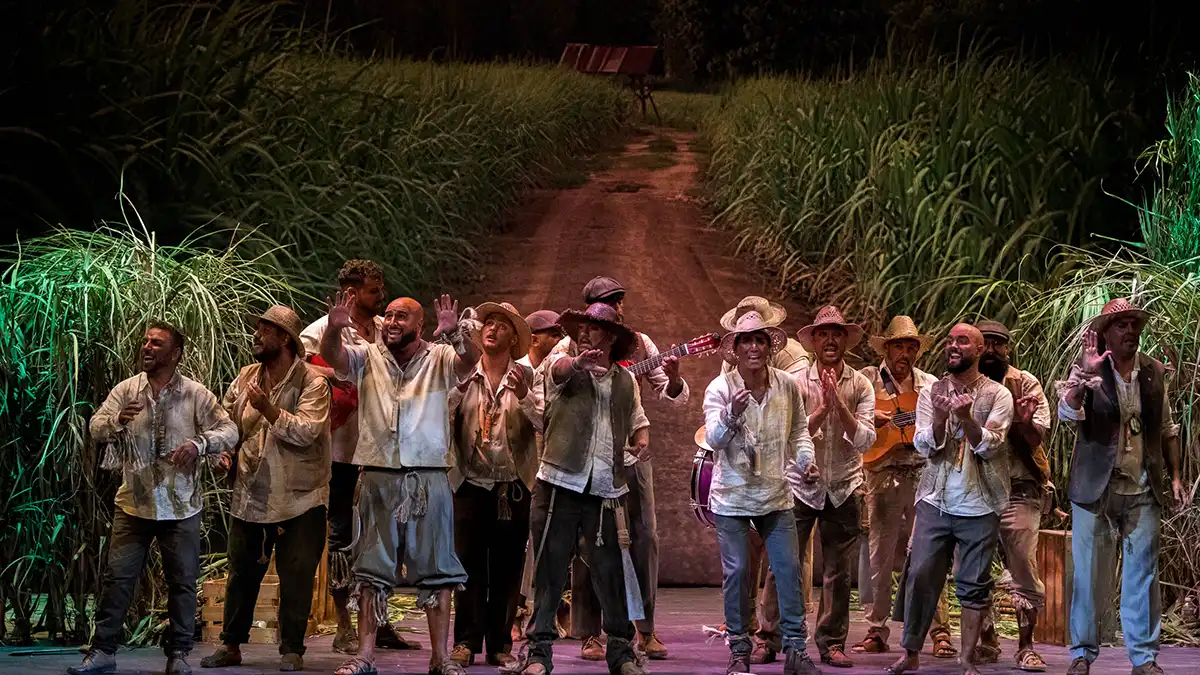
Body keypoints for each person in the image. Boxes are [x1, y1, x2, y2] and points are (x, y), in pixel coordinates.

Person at [321, 292, 480, 675]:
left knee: (438, 569)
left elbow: (470, 360)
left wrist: (455, 331)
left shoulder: (439, 357)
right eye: (388, 316)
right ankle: (365, 656)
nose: (391, 322)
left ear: (419, 326)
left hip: (428, 476)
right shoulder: (368, 356)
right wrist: (333, 327)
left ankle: (441, 657)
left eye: (401, 317)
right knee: (372, 568)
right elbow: (333, 358)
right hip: (378, 473)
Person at [70, 322, 238, 675]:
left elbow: (229, 430)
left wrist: (199, 444)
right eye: (145, 341)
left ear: (175, 353)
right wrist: (117, 419)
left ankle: (178, 655)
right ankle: (103, 652)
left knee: (182, 581)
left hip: (180, 505)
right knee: (118, 578)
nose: (147, 347)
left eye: (157, 343)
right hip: (134, 503)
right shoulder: (128, 389)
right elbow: (95, 426)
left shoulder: (195, 394)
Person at [517, 302, 651, 675]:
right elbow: (558, 373)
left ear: (609, 336)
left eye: (593, 329)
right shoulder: (562, 366)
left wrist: (641, 442)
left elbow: (638, 420)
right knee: (551, 569)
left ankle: (621, 651)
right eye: (582, 328)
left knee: (610, 571)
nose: (583, 334)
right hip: (561, 482)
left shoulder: (625, 380)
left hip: (605, 488)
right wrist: (578, 364)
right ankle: (539, 653)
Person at [1057, 298, 1187, 675]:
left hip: (1142, 486)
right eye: (1122, 325)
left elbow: (1166, 428)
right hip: (1095, 487)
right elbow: (1068, 412)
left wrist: (1175, 476)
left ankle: (1143, 658)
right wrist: (1084, 377)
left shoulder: (1152, 371)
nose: (1130, 331)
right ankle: (1082, 653)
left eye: (1134, 324)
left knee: (1142, 576)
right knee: (1089, 575)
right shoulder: (1087, 368)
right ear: (1104, 333)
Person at [201, 306, 332, 672]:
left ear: (286, 339)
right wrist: (223, 451)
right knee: (241, 573)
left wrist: (268, 408)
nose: (256, 336)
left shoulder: (312, 383)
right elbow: (224, 423)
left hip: (300, 497)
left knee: (296, 573)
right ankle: (231, 645)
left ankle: (292, 648)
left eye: (265, 330)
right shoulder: (246, 378)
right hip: (252, 494)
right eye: (257, 329)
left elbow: (308, 433)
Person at [300, 259, 418, 653]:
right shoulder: (322, 329)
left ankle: (378, 622)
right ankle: (344, 625)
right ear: (351, 293)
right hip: (339, 450)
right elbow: (298, 373)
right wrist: (336, 379)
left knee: (380, 537)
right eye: (373, 290)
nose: (381, 297)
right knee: (341, 537)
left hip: (380, 449)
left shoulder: (387, 330)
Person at [567, 277, 685, 661]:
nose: (618, 307)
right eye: (608, 301)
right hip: (586, 460)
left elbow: (666, 394)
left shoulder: (640, 344)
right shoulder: (568, 347)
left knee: (643, 538)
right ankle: (590, 633)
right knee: (588, 542)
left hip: (630, 458)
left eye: (618, 300)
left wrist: (676, 378)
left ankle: (644, 629)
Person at [888, 323, 1014, 675]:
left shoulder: (997, 394)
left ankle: (967, 658)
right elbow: (924, 444)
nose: (953, 346)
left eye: (962, 341)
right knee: (922, 573)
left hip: (980, 503)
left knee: (973, 583)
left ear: (978, 349)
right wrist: (943, 418)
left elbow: (991, 445)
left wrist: (967, 418)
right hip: (936, 499)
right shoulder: (933, 391)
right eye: (949, 341)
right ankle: (911, 652)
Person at [702, 309, 821, 675]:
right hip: (733, 496)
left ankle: (796, 651)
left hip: (775, 493)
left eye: (760, 340)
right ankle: (739, 649)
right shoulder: (721, 388)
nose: (754, 346)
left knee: (788, 572)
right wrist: (732, 414)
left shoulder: (786, 385)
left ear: (769, 347)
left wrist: (806, 461)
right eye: (746, 341)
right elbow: (713, 440)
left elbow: (799, 431)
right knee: (737, 572)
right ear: (735, 349)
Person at [852, 316, 956, 659]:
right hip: (880, 471)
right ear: (888, 348)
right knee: (880, 554)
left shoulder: (929, 384)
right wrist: (872, 421)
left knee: (930, 552)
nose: (906, 353)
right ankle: (877, 628)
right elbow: (851, 423)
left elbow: (941, 425)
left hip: (922, 472)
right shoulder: (868, 380)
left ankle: (939, 629)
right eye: (900, 345)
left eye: (911, 347)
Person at [448, 302, 539, 669]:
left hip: (511, 485)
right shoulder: (463, 372)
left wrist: (524, 396)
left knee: (507, 567)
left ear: (513, 337)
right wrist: (458, 388)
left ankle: (500, 642)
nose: (492, 329)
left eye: (502, 325)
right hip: (470, 482)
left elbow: (545, 421)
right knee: (467, 565)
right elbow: (441, 413)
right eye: (489, 323)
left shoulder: (526, 376)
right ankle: (465, 641)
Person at [790, 306, 876, 669]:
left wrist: (839, 405)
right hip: (799, 485)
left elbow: (866, 440)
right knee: (785, 565)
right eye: (823, 334)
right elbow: (789, 435)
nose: (829, 340)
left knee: (838, 572)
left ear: (845, 341)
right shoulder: (794, 381)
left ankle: (831, 642)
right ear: (813, 341)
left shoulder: (860, 384)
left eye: (836, 334)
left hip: (843, 486)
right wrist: (822, 411)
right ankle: (771, 636)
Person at [973, 320, 1053, 672]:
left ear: (1008, 348)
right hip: (975, 490)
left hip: (1019, 487)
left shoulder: (1025, 383)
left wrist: (1022, 421)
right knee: (971, 569)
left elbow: (1037, 440)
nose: (991, 350)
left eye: (998, 344)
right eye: (985, 343)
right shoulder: (965, 382)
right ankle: (987, 640)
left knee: (1022, 562)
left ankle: (1025, 645)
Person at [513, 310, 566, 639]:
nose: (561, 342)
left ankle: (549, 612)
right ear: (535, 338)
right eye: (555, 336)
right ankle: (515, 613)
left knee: (550, 542)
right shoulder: (519, 370)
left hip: (552, 463)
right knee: (522, 545)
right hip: (523, 463)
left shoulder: (558, 371)